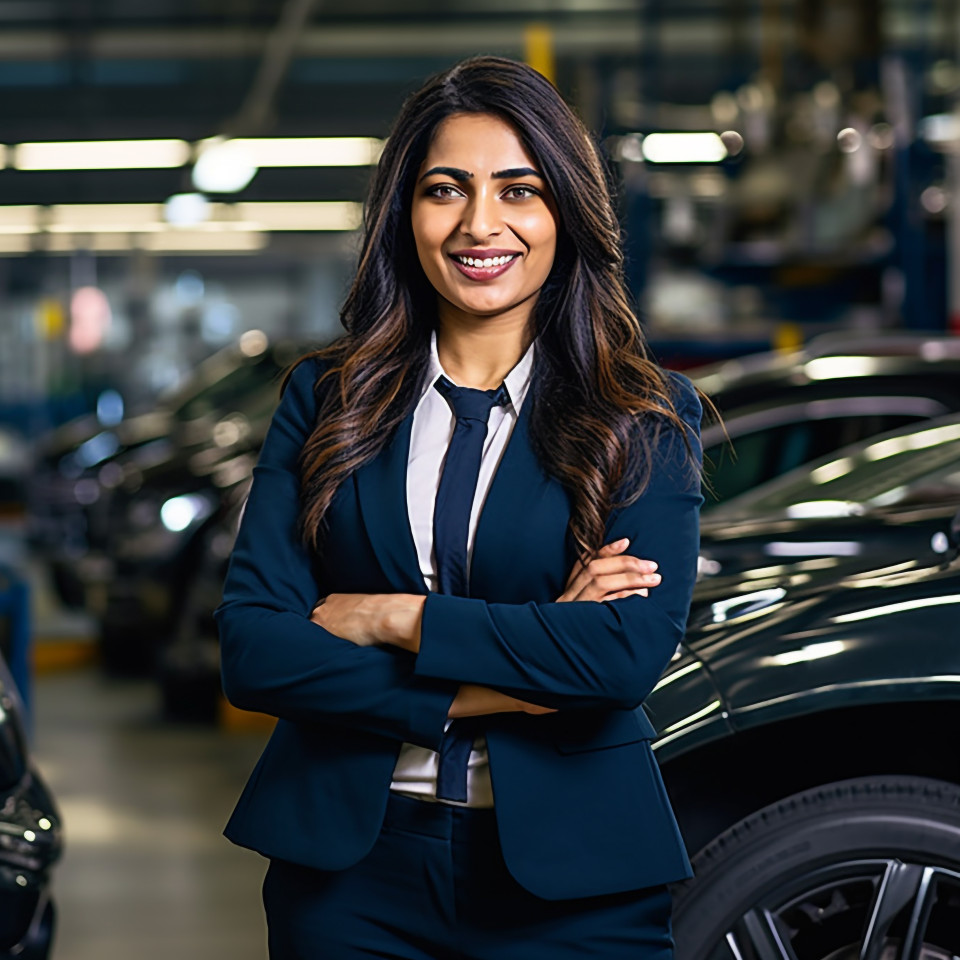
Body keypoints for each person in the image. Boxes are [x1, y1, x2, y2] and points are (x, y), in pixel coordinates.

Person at [216, 54, 705, 960]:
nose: (482, 224)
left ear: (566, 210)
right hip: (351, 878)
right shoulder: (326, 400)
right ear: (405, 214)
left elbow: (619, 657)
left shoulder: (640, 416)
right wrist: (514, 683)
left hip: (576, 878)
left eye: (519, 190)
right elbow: (256, 651)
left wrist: (395, 618)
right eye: (447, 189)